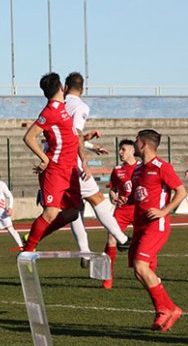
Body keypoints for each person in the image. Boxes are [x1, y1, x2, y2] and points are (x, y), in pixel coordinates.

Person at [63, 72, 131, 265]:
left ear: (65, 88)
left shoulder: (58, 107)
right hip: (71, 165)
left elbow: (63, 138)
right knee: (97, 199)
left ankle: (84, 252)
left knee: (75, 208)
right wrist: (84, 159)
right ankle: (122, 239)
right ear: (82, 89)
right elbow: (76, 133)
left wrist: (90, 145)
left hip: (56, 165)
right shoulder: (80, 106)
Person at [123, 129, 185, 332]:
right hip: (139, 225)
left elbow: (181, 191)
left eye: (135, 141)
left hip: (155, 226)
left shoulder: (161, 167)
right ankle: (170, 309)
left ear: (143, 144)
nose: (134, 144)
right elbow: (139, 196)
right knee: (139, 272)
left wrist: (164, 211)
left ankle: (164, 310)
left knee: (141, 266)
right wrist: (125, 199)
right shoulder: (139, 169)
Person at [22, 72, 85, 251]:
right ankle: (27, 251)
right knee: (50, 213)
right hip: (56, 169)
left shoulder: (62, 108)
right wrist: (44, 158)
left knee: (73, 212)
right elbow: (29, 137)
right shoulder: (50, 111)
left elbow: (68, 137)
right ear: (61, 88)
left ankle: (35, 236)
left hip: (70, 169)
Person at [104, 139, 138, 289]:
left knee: (143, 241)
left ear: (133, 151)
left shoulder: (142, 168)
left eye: (123, 149)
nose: (120, 152)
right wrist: (113, 195)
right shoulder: (117, 169)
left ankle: (148, 272)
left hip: (138, 210)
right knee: (111, 237)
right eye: (120, 149)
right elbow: (113, 188)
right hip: (122, 210)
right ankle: (108, 277)